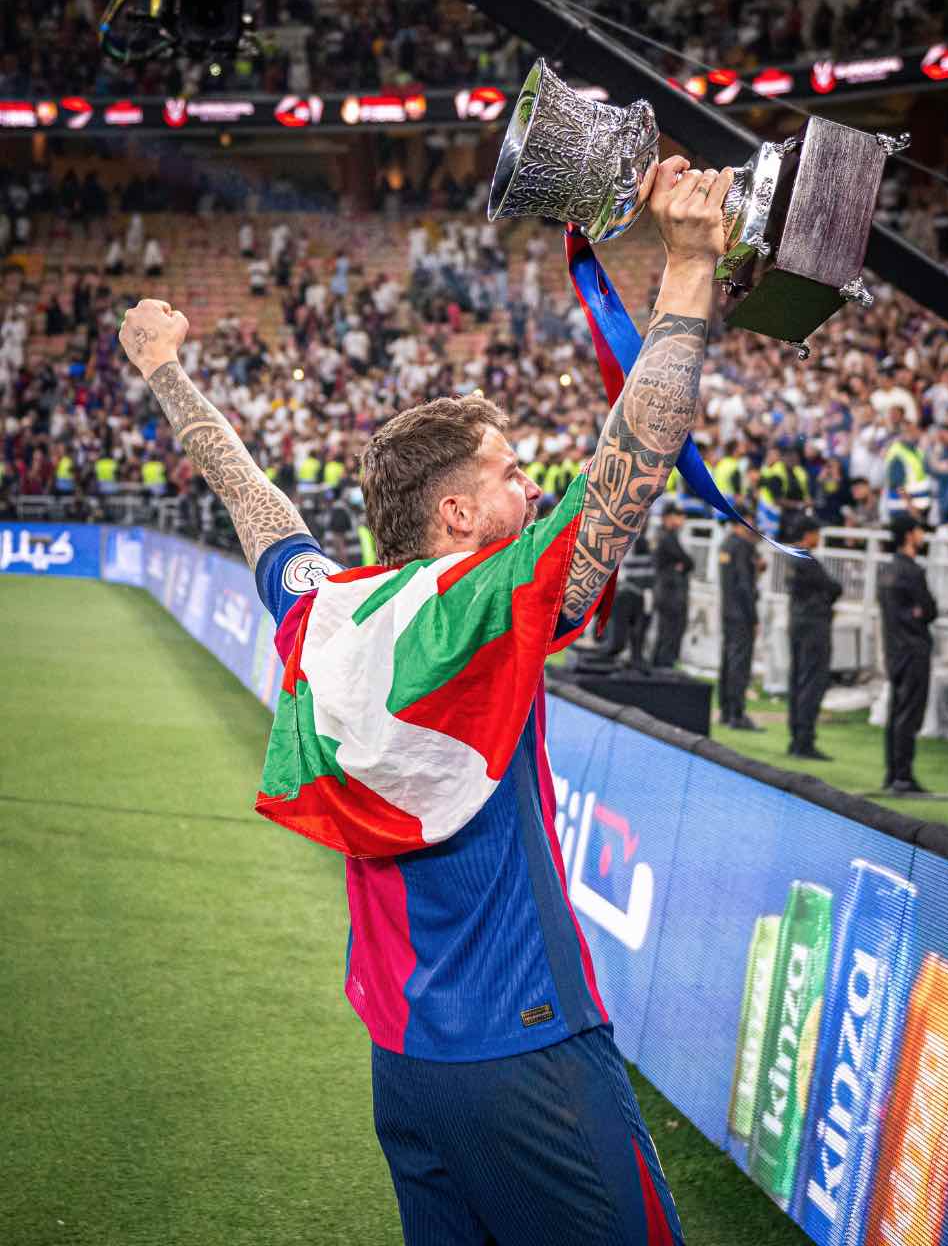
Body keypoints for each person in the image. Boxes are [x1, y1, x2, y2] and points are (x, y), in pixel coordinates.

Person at [116, 155, 736, 1246]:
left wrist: (164, 369)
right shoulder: (494, 604)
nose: (531, 487)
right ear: (455, 513)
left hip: (403, 1064)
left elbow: (251, 496)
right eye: (509, 474)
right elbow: (638, 451)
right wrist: (688, 266)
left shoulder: (327, 612)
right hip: (529, 1050)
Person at [877, 515, 937, 793]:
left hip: (894, 650)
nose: (922, 534)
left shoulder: (887, 570)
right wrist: (919, 613)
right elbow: (930, 610)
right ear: (909, 535)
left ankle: (893, 773)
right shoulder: (912, 571)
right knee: (909, 715)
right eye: (918, 530)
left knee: (896, 713)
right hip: (914, 650)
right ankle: (903, 776)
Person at [786, 516, 842, 759]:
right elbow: (833, 587)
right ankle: (804, 741)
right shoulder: (807, 560)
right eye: (817, 533)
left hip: (797, 623)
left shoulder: (791, 558)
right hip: (813, 627)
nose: (818, 538)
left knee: (798, 680)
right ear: (808, 534)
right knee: (812, 682)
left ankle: (796, 737)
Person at [719, 517, 763, 730]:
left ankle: (725, 711)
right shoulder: (744, 547)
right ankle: (737, 714)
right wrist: (754, 617)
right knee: (740, 665)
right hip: (742, 615)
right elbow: (745, 585)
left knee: (728, 662)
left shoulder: (726, 543)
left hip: (727, 611)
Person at [652, 502, 693, 667]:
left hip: (669, 591)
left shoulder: (669, 536)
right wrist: (682, 564)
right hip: (670, 592)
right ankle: (663, 667)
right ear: (669, 518)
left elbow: (687, 563)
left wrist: (683, 564)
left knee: (668, 631)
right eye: (678, 516)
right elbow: (687, 561)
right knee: (669, 632)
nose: (682, 520)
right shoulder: (666, 537)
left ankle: (660, 666)